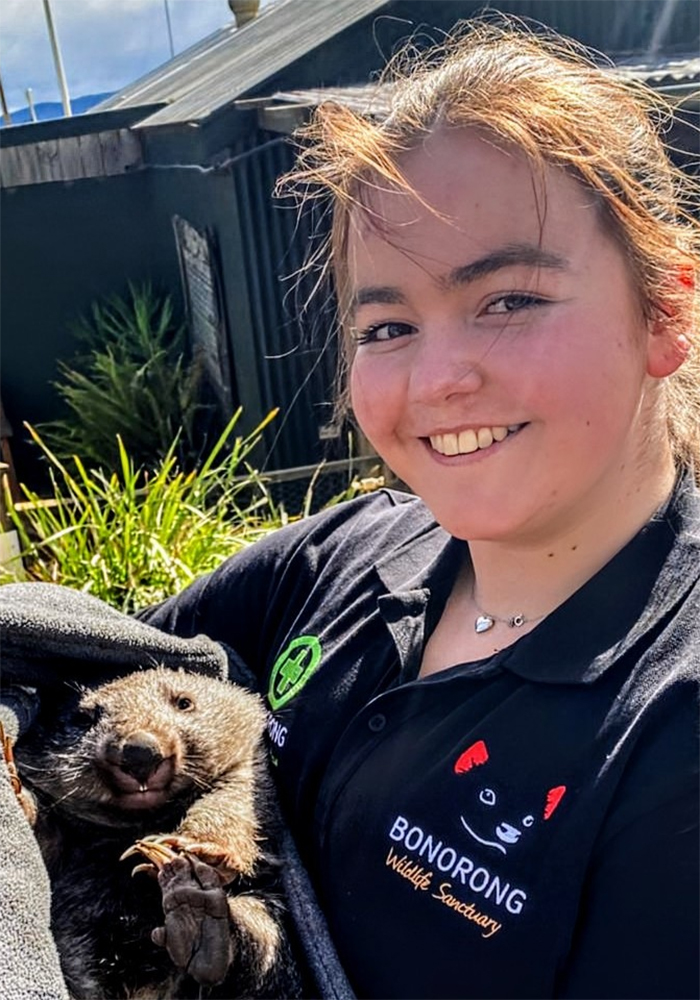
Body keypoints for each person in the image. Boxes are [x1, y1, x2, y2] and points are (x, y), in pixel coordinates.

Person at [139, 17, 700, 1000]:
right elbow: (95, 684)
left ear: (665, 315)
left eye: (507, 299)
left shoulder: (669, 732)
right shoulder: (343, 554)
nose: (438, 378)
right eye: (389, 324)